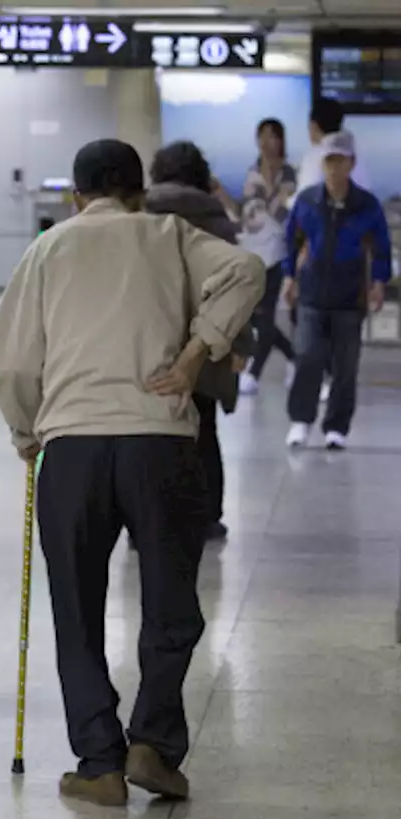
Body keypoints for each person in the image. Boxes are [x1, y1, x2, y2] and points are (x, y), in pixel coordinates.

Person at [0, 139, 263, 808]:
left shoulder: (49, 249)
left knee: (77, 609)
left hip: (74, 446)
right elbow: (248, 271)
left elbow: (13, 364)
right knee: (171, 604)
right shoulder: (170, 234)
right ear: (138, 193)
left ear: (76, 196)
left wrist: (28, 432)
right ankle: (156, 746)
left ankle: (99, 763)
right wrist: (202, 350)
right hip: (161, 441)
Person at [147, 141, 249, 541]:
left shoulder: (141, 211)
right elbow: (237, 284)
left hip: (152, 334)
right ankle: (208, 516)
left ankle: (150, 521)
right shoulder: (215, 217)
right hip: (206, 338)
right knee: (203, 427)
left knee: (153, 431)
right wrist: (239, 342)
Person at [283, 131, 392, 451]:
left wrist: (378, 283)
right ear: (322, 163)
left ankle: (337, 427)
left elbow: (381, 247)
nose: (333, 167)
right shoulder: (307, 202)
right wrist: (290, 278)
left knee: (346, 365)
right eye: (329, 160)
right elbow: (292, 242)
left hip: (350, 296)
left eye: (340, 161)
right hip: (313, 293)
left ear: (351, 164)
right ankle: (301, 421)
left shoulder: (366, 205)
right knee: (307, 356)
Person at [217, 119, 298, 394]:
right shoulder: (252, 172)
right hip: (251, 251)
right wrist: (221, 194)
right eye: (262, 136)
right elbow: (244, 213)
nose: (266, 142)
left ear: (281, 140)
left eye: (272, 136)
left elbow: (280, 213)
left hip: (275, 254)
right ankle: (295, 358)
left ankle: (253, 374)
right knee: (255, 318)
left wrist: (269, 188)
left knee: (264, 319)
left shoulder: (288, 174)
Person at [296, 98, 371, 193]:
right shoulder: (356, 153)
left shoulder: (314, 157)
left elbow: (305, 199)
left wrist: (286, 199)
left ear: (313, 125)